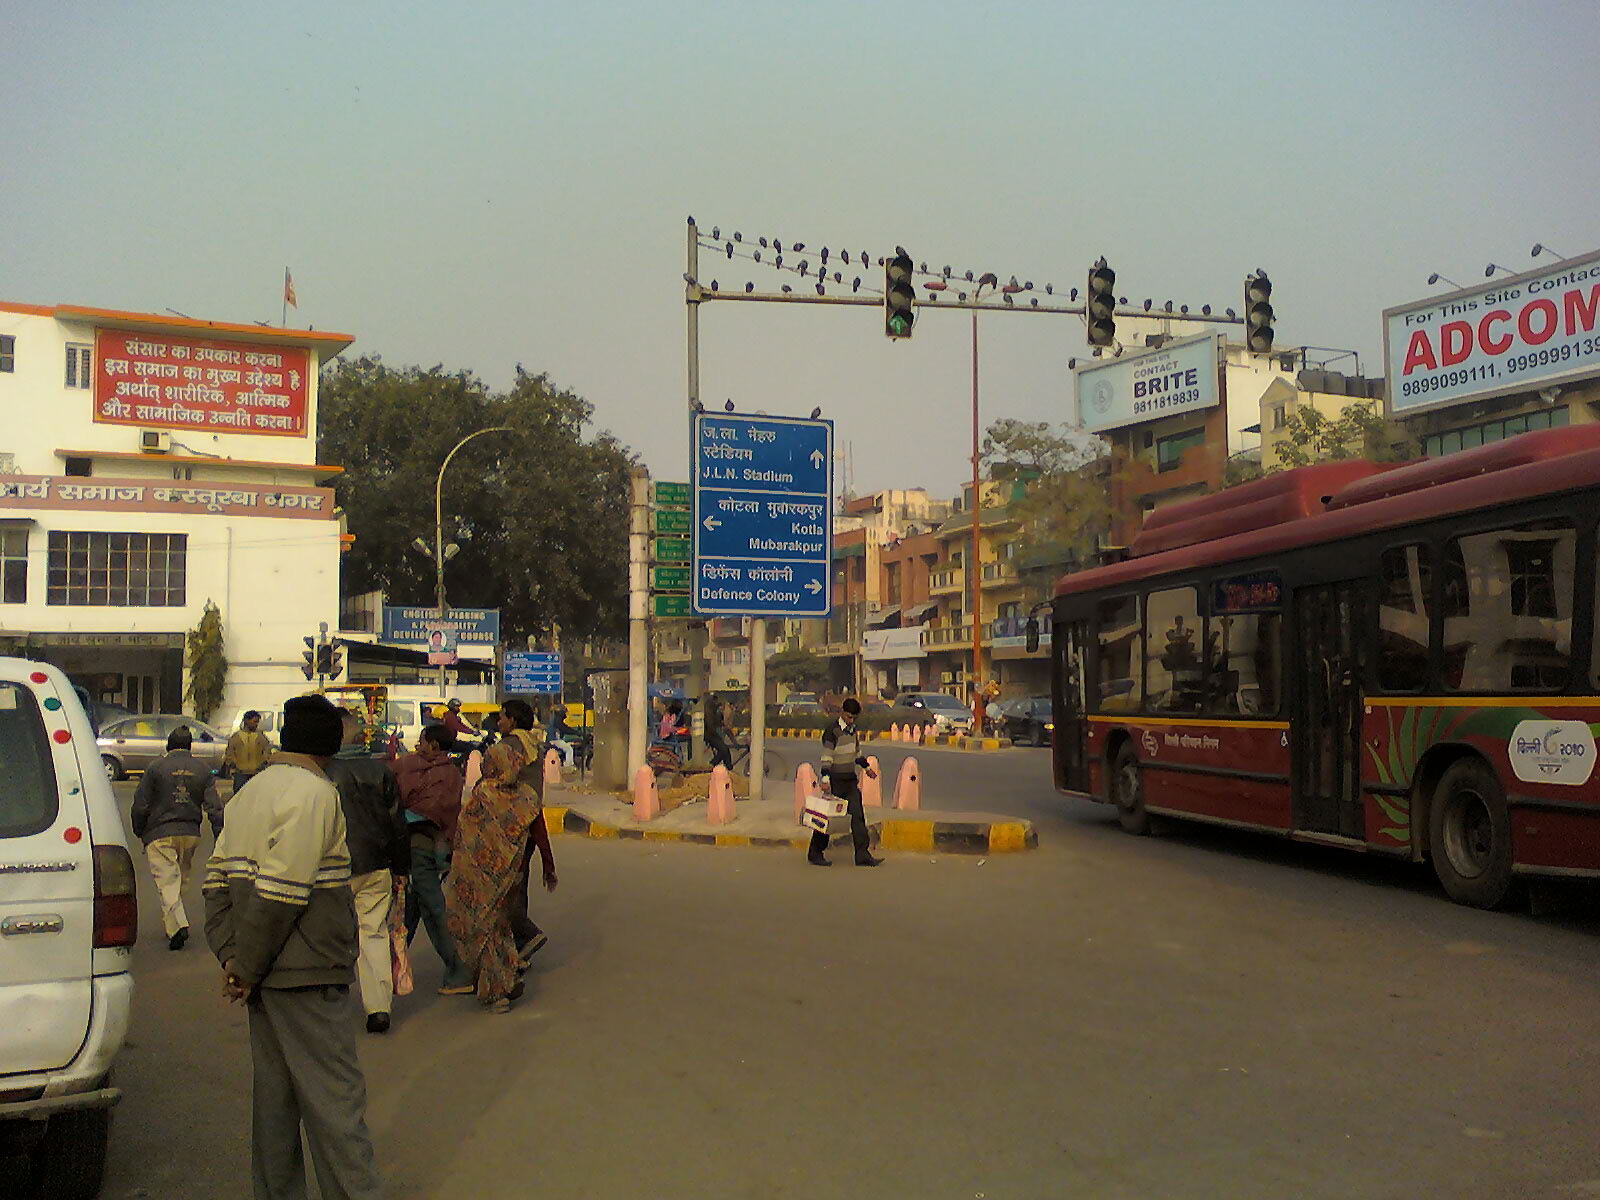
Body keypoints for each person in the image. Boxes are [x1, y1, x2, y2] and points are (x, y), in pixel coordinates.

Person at [203, 693, 382, 1200]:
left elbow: (215, 885)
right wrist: (247, 967)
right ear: (327, 744)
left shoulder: (249, 794)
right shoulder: (315, 795)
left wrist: (234, 960)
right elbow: (284, 891)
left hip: (263, 976)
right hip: (308, 973)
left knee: (275, 1109)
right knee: (335, 1105)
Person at [446, 700, 556, 1014]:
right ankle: (505, 977)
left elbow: (465, 835)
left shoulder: (484, 794)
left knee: (487, 922)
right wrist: (548, 863)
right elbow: (536, 820)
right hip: (513, 857)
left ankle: (500, 982)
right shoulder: (525, 791)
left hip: (480, 873)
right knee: (502, 917)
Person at [326, 710, 410, 1034]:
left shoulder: (322, 774)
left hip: (335, 867)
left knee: (331, 935)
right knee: (373, 933)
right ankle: (378, 1008)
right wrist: (401, 868)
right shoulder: (380, 771)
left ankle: (330, 1004)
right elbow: (396, 824)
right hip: (377, 865)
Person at [391, 724, 473, 995]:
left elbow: (421, 806)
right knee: (409, 910)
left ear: (434, 746)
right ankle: (392, 968)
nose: (419, 745)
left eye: (423, 741)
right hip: (430, 845)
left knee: (434, 909)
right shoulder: (448, 773)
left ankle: (460, 970)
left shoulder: (422, 769)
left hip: (419, 845)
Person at [131, 726, 225, 950]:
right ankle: (171, 926)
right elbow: (215, 807)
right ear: (190, 746)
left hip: (160, 833)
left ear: (168, 745)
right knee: (180, 880)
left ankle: (179, 926)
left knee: (167, 881)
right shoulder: (202, 770)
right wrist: (220, 836)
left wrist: (139, 830)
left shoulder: (156, 768)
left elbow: (141, 804)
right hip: (190, 833)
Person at [810, 698, 882, 868]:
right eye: (849, 717)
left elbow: (856, 753)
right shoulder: (832, 731)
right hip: (834, 780)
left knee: (857, 816)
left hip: (849, 779)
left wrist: (867, 768)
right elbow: (827, 756)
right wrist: (825, 779)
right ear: (842, 713)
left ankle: (862, 855)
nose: (852, 721)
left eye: (854, 718)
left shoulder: (852, 730)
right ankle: (815, 852)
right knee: (828, 818)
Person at [224, 709, 273, 795]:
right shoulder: (236, 737)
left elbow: (267, 753)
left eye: (257, 722)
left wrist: (262, 764)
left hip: (256, 774)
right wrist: (234, 765)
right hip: (240, 775)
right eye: (254, 721)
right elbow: (229, 754)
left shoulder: (261, 737)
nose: (256, 724)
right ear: (246, 721)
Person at [705, 696, 733, 769]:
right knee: (724, 750)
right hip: (710, 735)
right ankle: (727, 768)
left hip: (711, 735)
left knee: (723, 751)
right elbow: (711, 726)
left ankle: (714, 765)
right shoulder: (710, 712)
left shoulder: (712, 711)